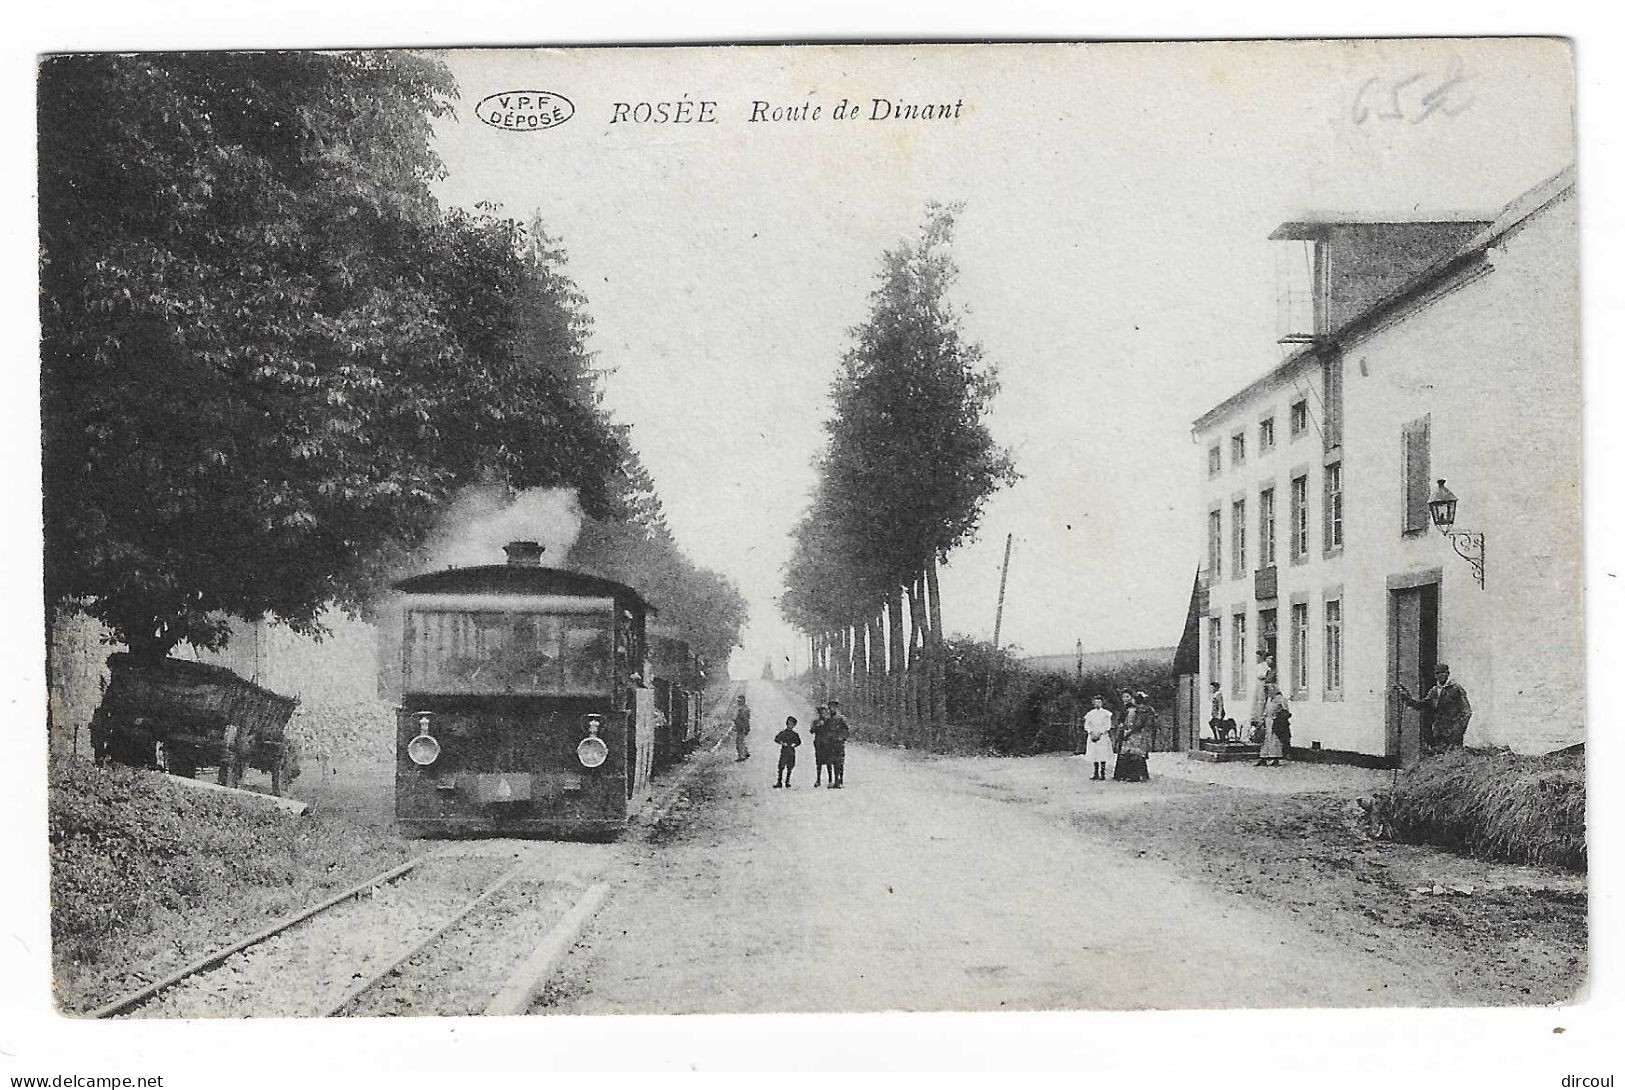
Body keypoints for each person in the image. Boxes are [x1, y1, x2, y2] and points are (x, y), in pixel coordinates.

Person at [1396, 664, 1473, 754]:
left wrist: (1458, 729)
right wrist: (1406, 697)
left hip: (1453, 735)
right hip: (1439, 733)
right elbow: (1421, 705)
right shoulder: (1434, 691)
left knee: (1453, 758)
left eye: (1443, 673)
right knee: (1440, 759)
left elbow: (1467, 712)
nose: (1440, 676)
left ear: (1447, 674)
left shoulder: (1456, 689)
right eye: (1437, 673)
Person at [1114, 691, 1154, 782]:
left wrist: (1128, 731)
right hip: (1140, 733)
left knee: (1132, 754)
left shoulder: (1137, 710)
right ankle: (1139, 775)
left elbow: (1137, 723)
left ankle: (1133, 776)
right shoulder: (1146, 709)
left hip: (1135, 733)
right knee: (1136, 753)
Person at [1256, 683, 1289, 766]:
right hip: (1268, 721)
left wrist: (1278, 717)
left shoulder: (1281, 699)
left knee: (1275, 740)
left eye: (1269, 690)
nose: (1268, 693)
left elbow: (1286, 711)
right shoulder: (1269, 700)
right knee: (1266, 740)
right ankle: (1263, 758)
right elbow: (1266, 711)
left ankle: (1276, 758)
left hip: (1276, 723)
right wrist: (1262, 720)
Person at [1083, 694, 1115, 781]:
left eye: (1099, 702)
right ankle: (1095, 772)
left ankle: (1103, 773)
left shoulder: (1106, 714)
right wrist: (1091, 732)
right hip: (1093, 735)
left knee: (1102, 753)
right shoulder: (1090, 714)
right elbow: (1087, 725)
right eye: (1095, 702)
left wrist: (1100, 733)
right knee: (1094, 754)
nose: (1097, 704)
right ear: (1093, 703)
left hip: (1102, 736)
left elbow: (1108, 725)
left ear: (1102, 703)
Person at [825, 699, 850, 788]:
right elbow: (824, 730)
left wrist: (842, 737)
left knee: (839, 762)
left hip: (838, 742)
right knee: (829, 761)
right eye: (830, 707)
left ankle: (839, 780)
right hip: (830, 743)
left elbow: (846, 730)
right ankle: (831, 780)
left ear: (836, 708)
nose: (832, 709)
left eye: (833, 707)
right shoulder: (827, 719)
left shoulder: (841, 719)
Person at [773, 716, 802, 788]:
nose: (790, 726)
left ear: (794, 725)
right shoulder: (783, 733)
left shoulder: (795, 734)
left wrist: (794, 745)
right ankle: (779, 782)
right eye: (789, 724)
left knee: (790, 767)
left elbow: (798, 742)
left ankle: (787, 782)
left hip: (791, 752)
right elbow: (776, 739)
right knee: (781, 766)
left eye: (792, 724)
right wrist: (782, 743)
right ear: (786, 724)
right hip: (784, 751)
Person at [809, 703, 833, 786]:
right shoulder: (816, 721)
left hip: (828, 744)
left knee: (829, 762)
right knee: (819, 762)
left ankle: (830, 780)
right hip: (819, 744)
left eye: (824, 712)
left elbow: (832, 731)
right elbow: (811, 731)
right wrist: (817, 726)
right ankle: (818, 780)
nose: (822, 714)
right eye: (821, 712)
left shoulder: (829, 721)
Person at [732, 693, 751, 762]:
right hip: (742, 727)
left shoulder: (742, 709)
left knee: (739, 742)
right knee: (741, 740)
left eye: (739, 701)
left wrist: (744, 727)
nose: (738, 702)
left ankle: (742, 756)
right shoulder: (744, 708)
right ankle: (746, 752)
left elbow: (744, 720)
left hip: (741, 727)